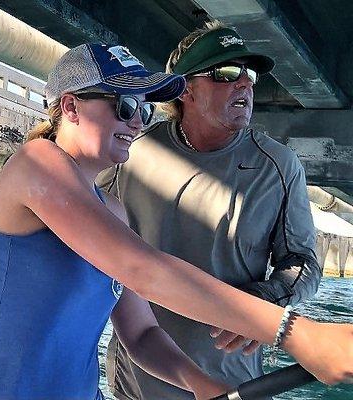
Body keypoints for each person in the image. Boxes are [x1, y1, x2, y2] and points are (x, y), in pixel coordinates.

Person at [0, 43, 353, 400]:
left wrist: (199, 382)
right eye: (123, 106)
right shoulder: (36, 164)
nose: (137, 121)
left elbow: (140, 335)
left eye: (143, 108)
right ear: (70, 107)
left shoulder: (114, 210)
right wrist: (295, 332)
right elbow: (144, 271)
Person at [103, 22, 324, 399]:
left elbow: (302, 262)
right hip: (134, 380)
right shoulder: (127, 153)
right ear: (185, 88)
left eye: (249, 74)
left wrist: (265, 299)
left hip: (232, 384)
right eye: (227, 73)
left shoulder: (278, 166)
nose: (246, 84)